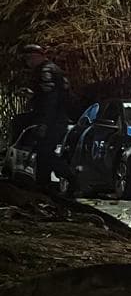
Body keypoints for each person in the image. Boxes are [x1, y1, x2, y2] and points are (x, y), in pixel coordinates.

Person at [19, 44, 71, 194]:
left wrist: (44, 123)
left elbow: (51, 100)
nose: (27, 62)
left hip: (52, 120)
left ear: (36, 56)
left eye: (28, 58)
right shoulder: (52, 69)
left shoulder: (46, 71)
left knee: (45, 153)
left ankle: (69, 178)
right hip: (56, 119)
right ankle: (44, 186)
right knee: (43, 153)